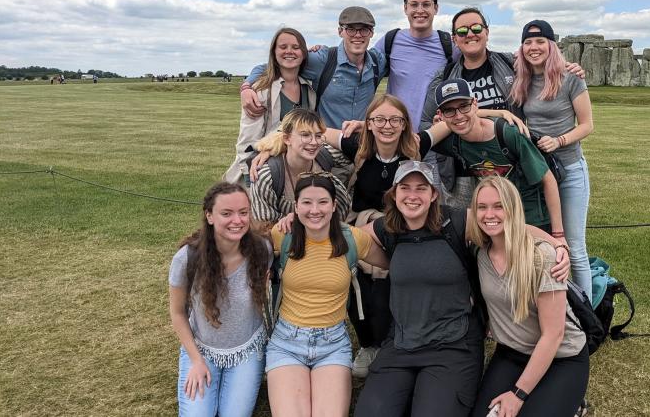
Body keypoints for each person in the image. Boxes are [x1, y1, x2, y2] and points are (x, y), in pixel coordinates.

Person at [251, 94, 454, 377]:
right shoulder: (356, 146)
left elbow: (452, 122)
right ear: (369, 123)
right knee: (358, 284)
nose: (387, 126)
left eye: (395, 119)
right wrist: (270, 149)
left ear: (405, 123)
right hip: (361, 226)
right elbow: (309, 132)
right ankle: (369, 344)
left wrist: (501, 116)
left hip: (401, 226)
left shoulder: (415, 145)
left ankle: (401, 340)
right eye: (379, 119)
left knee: (398, 283)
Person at [353, 161, 570, 417]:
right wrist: (295, 222)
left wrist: (557, 245)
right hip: (401, 343)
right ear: (394, 193)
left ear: (434, 193)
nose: (413, 196)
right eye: (405, 188)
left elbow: (513, 228)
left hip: (452, 346)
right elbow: (345, 238)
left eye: (421, 188)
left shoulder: (454, 221)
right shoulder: (388, 227)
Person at [419, 7, 584, 207]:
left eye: (477, 28)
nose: (470, 34)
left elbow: (542, 61)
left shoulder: (510, 63)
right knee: (467, 231)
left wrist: (569, 67)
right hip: (462, 171)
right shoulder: (444, 77)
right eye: (462, 31)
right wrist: (496, 113)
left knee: (511, 227)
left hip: (510, 166)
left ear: (487, 33)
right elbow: (426, 122)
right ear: (455, 39)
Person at [266, 173, 390, 417]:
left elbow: (392, 263)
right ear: (296, 207)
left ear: (334, 205)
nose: (315, 210)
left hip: (332, 344)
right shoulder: (283, 236)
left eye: (323, 202)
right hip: (286, 342)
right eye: (306, 203)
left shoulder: (352, 239)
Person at [468, 177, 589, 417]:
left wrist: (518, 394)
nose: (489, 214)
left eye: (499, 206)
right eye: (482, 207)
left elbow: (553, 335)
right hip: (511, 354)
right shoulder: (480, 251)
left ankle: (572, 403)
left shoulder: (541, 258)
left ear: (512, 209)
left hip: (561, 357)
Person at [167, 182, 271, 416]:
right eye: (227, 213)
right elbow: (177, 313)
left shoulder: (262, 249)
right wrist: (196, 361)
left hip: (247, 350)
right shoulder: (187, 258)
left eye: (243, 212)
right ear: (209, 216)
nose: (237, 220)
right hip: (202, 349)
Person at [508, 20, 594, 298]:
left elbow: (587, 125)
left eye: (540, 41)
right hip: (540, 173)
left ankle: (587, 316)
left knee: (574, 246)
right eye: (528, 42)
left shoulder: (571, 77)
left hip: (568, 168)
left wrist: (559, 140)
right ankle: (554, 305)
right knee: (543, 242)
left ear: (551, 45)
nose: (534, 48)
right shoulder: (521, 79)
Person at [431, 78, 566, 239]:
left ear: (475, 104)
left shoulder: (508, 134)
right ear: (440, 115)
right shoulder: (453, 139)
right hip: (495, 218)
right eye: (449, 110)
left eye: (464, 106)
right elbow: (414, 143)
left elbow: (548, 180)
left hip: (529, 215)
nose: (458, 116)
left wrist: (558, 234)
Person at [240, 7, 386, 129]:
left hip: (363, 146)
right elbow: (270, 67)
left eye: (364, 29)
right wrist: (246, 87)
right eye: (351, 29)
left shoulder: (377, 61)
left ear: (372, 33)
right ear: (340, 31)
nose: (358, 35)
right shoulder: (323, 59)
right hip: (327, 149)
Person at [225, 27, 314, 183]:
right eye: (283, 47)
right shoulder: (261, 90)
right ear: (274, 52)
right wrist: (249, 177)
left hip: (297, 170)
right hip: (263, 170)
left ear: (304, 53)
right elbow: (247, 139)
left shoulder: (309, 89)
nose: (289, 51)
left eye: (296, 47)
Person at [249, 108, 350, 233]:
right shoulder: (267, 176)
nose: (314, 142)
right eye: (305, 135)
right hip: (284, 241)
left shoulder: (326, 154)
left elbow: (362, 151)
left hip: (327, 237)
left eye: (318, 135)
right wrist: (297, 223)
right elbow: (266, 227)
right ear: (287, 139)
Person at [375, 0, 457, 131]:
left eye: (426, 4)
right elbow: (361, 65)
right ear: (405, 8)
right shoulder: (390, 41)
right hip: (397, 134)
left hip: (435, 138)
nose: (420, 10)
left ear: (436, 8)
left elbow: (476, 62)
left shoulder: (449, 46)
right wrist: (320, 52)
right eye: (414, 4)